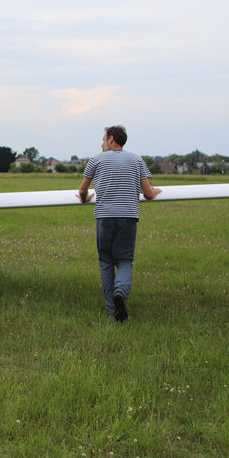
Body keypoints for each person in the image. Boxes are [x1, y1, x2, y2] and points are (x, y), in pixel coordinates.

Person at [77, 126, 161, 322]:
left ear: (111, 138)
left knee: (106, 262)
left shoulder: (96, 160)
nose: (101, 143)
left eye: (103, 138)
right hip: (128, 217)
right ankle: (120, 294)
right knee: (124, 261)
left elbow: (82, 190)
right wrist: (155, 193)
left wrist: (84, 198)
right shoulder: (137, 159)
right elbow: (148, 194)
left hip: (104, 218)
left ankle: (111, 310)